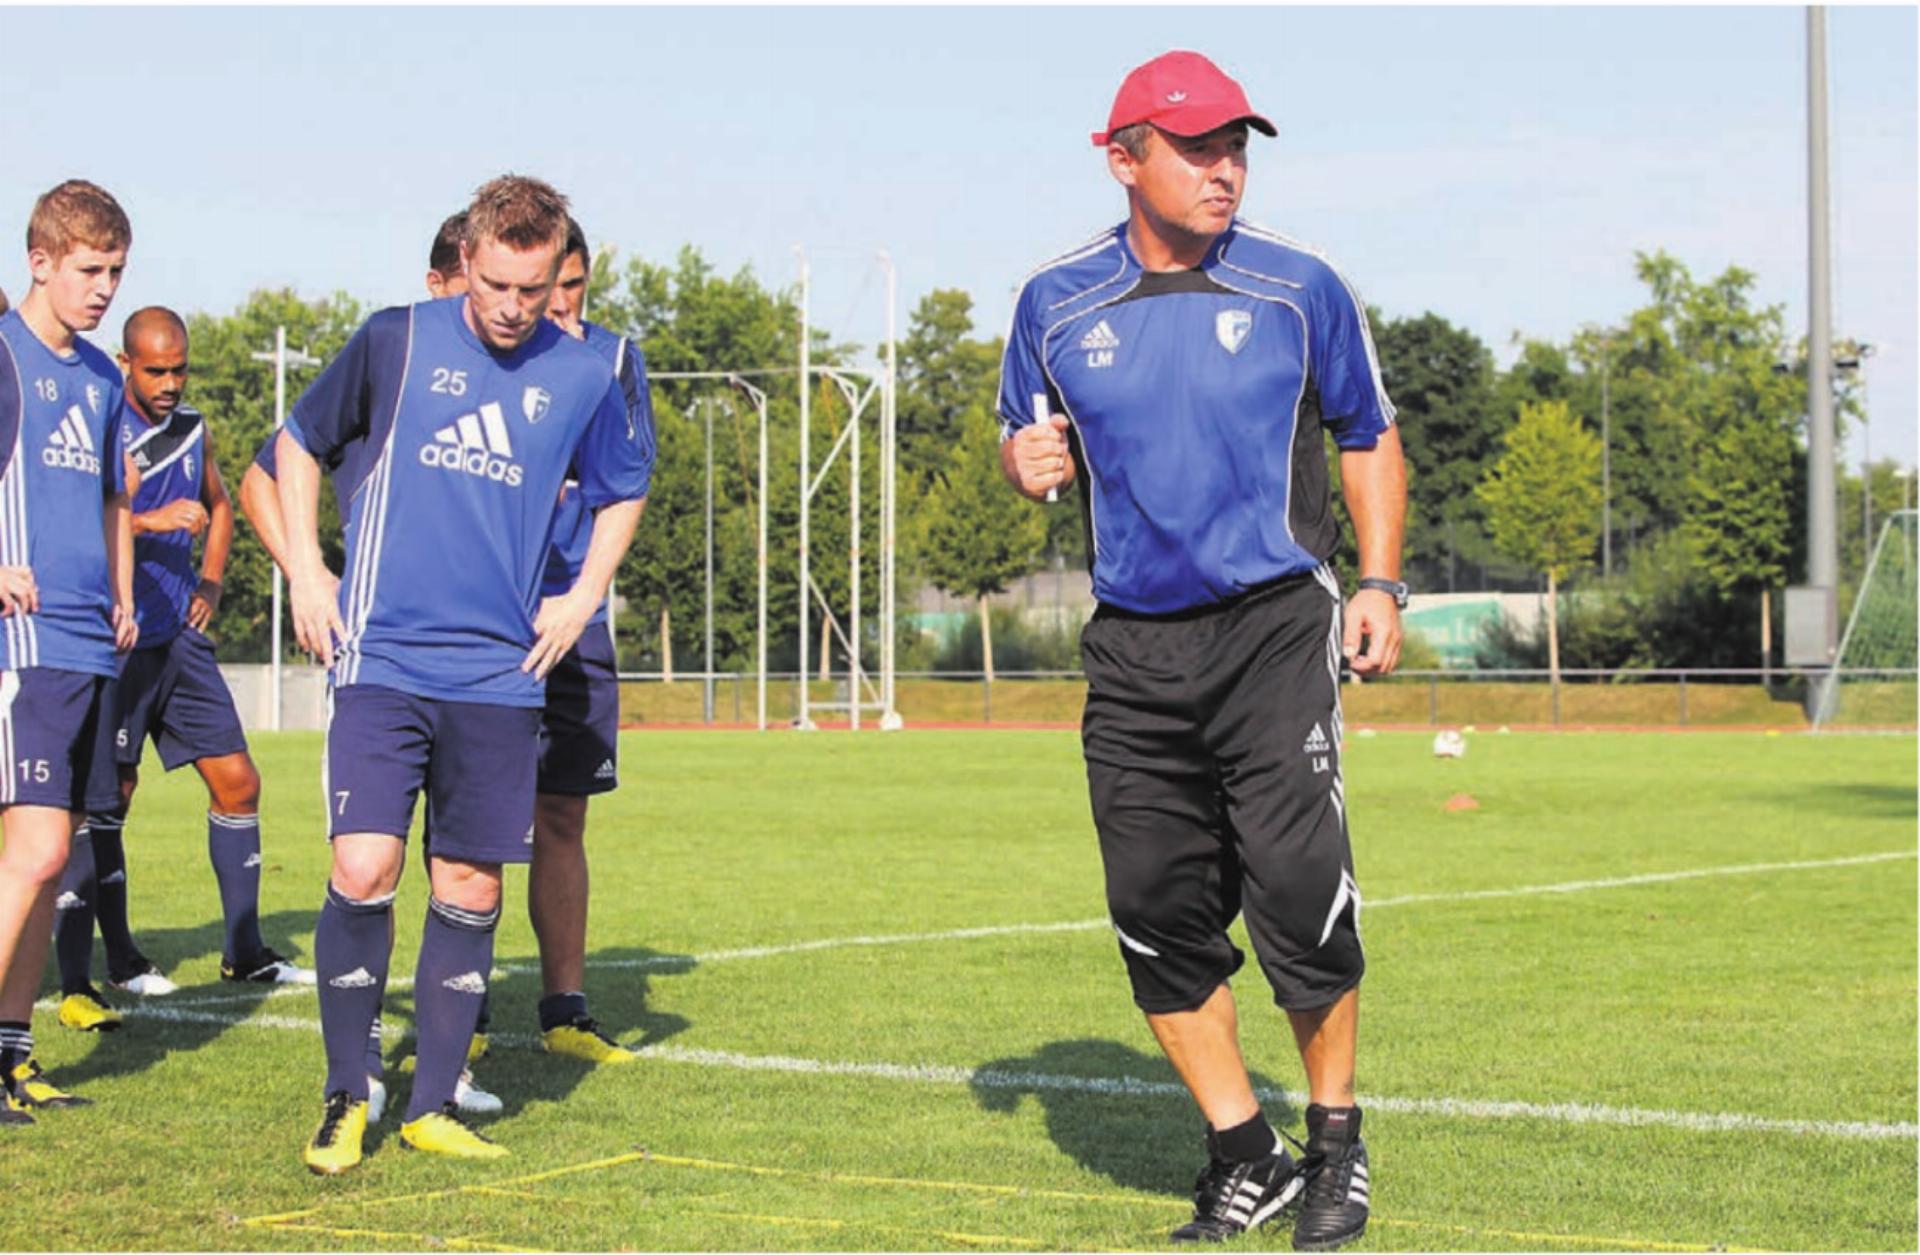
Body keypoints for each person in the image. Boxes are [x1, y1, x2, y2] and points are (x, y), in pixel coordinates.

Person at [997, 51, 1407, 1251]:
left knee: (1299, 895)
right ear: (1122, 158)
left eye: (1238, 145)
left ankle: (1337, 1140)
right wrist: (1024, 467)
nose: (1225, 167)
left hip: (1278, 628)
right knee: (1153, 914)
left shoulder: (1301, 286)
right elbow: (1031, 444)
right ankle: (1246, 1151)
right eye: (1196, 147)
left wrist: (1377, 580)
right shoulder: (1053, 303)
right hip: (1133, 651)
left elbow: (1368, 432)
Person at [279, 174, 649, 1174]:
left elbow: (624, 487)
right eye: (496, 284)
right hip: (385, 659)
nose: (514, 308)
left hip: (500, 676)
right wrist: (310, 570)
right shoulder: (395, 339)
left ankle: (432, 1102)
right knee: (362, 865)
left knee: (470, 881)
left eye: (534, 289)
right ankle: (345, 1092)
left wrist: (581, 600)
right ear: (468, 258)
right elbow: (296, 443)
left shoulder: (581, 373)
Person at [50, 306, 311, 1037]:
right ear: (126, 363)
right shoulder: (102, 421)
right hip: (115, 638)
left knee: (239, 780)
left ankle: (245, 948)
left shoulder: (192, 428)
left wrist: (213, 583)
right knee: (106, 799)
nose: (170, 382)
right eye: (156, 369)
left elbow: (222, 504)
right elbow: (74, 513)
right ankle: (106, 965)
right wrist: (149, 522)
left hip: (179, 640)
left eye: (179, 368)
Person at [0, 179, 141, 1125]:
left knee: (51, 862)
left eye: (117, 272)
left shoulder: (99, 376)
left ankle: (12, 1054)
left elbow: (109, 496)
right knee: (37, 847)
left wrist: (125, 590)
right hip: (27, 637)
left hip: (91, 639)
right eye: (89, 269)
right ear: (40, 261)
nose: (103, 289)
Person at [512, 215, 655, 1064]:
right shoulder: (491, 355)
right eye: (545, 288)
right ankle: (461, 1007)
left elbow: (626, 480)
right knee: (472, 820)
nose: (559, 306)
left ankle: (565, 1008)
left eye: (573, 288)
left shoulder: (611, 359)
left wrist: (585, 595)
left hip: (578, 617)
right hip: (491, 620)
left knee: (563, 813)